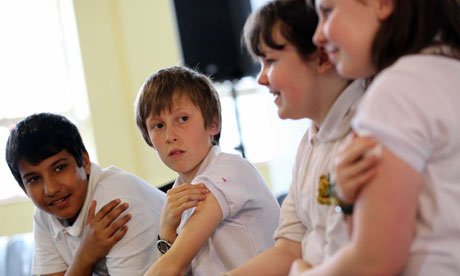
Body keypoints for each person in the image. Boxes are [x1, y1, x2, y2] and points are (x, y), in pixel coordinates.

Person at [290, 0, 460, 275]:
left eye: (328, 12)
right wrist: (346, 203)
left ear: (381, 4)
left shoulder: (398, 88)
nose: (318, 35)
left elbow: (373, 262)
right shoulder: (448, 68)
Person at [226, 0, 365, 275]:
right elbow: (289, 249)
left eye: (271, 61)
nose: (261, 79)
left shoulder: (365, 132)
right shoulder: (309, 142)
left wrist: (301, 269)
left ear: (322, 57)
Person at [134, 65, 281, 276]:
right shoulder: (179, 194)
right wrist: (166, 231)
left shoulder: (229, 169)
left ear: (213, 124)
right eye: (158, 126)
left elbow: (174, 263)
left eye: (182, 119)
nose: (170, 136)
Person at [5, 113, 166, 275]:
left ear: (85, 162)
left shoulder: (118, 203)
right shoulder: (45, 213)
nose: (51, 189)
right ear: (23, 188)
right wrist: (85, 256)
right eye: (34, 179)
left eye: (59, 168)